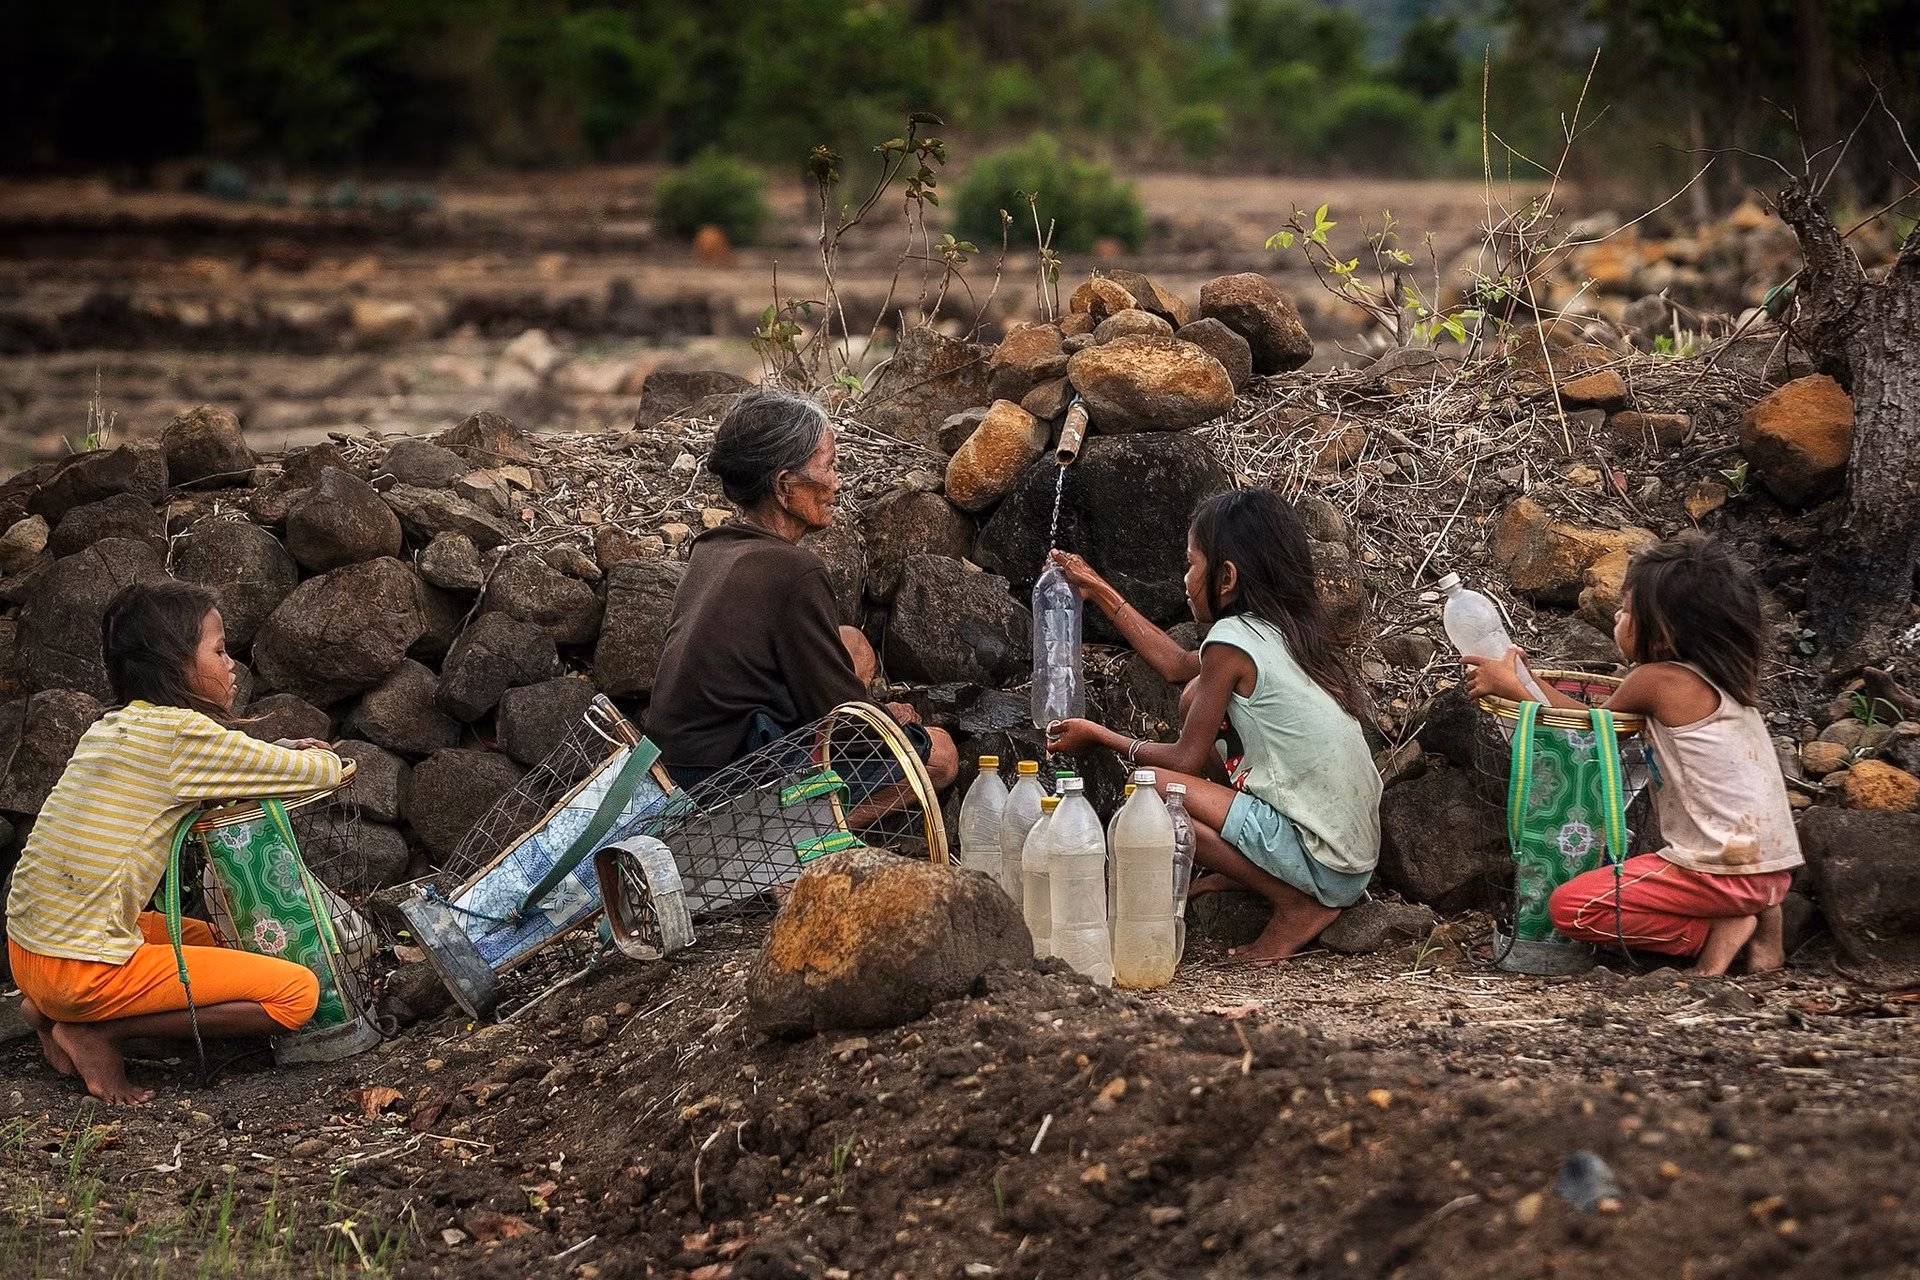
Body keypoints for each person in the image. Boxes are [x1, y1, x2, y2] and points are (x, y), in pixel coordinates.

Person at [7, 580, 345, 1104]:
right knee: (294, 994)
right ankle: (98, 1031)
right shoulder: (182, 737)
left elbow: (215, 764)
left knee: (209, 937)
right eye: (218, 649)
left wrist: (264, 754)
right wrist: (317, 756)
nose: (231, 664)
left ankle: (46, 1009)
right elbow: (317, 773)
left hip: (31, 951)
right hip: (80, 968)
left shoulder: (113, 728)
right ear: (176, 663)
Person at [1045, 489, 1382, 963]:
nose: (1186, 580)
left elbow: (1183, 760)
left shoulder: (1230, 640)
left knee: (1156, 790)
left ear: (1226, 578)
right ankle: (1251, 866)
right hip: (1353, 857)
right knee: (1192, 697)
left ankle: (1296, 904)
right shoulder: (1279, 628)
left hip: (1324, 859)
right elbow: (1179, 665)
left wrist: (1101, 736)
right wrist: (1097, 588)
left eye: (1191, 564)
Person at [1466, 534, 1799, 977]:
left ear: (1662, 634)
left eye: (1626, 610)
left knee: (1571, 909)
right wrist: (1526, 681)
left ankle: (1719, 932)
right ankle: (1763, 932)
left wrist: (1516, 688)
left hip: (1718, 872)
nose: (1618, 617)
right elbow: (1597, 721)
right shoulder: (1729, 679)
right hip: (1773, 871)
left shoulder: (1656, 680)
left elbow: (1590, 731)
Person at [647, 388, 957, 792]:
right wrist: (887, 718)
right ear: (784, 486)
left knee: (852, 642)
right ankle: (805, 841)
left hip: (673, 760)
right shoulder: (796, 570)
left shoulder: (713, 547)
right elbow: (841, 721)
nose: (837, 482)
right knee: (942, 754)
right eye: (828, 467)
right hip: (723, 777)